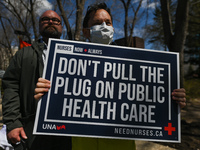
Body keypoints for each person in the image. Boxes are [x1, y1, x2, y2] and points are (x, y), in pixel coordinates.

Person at [34, 3, 186, 150]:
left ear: (113, 28)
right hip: (83, 145)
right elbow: (59, 103)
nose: (104, 27)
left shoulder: (131, 64)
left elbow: (149, 98)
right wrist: (46, 92)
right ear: (86, 31)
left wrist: (171, 100)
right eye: (97, 23)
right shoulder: (68, 66)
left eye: (108, 22)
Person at [2, 10, 71, 150]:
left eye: (55, 20)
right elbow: (11, 88)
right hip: (31, 131)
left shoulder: (75, 53)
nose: (50, 22)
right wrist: (13, 123)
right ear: (39, 25)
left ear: (61, 26)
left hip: (68, 131)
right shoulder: (23, 54)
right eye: (45, 19)